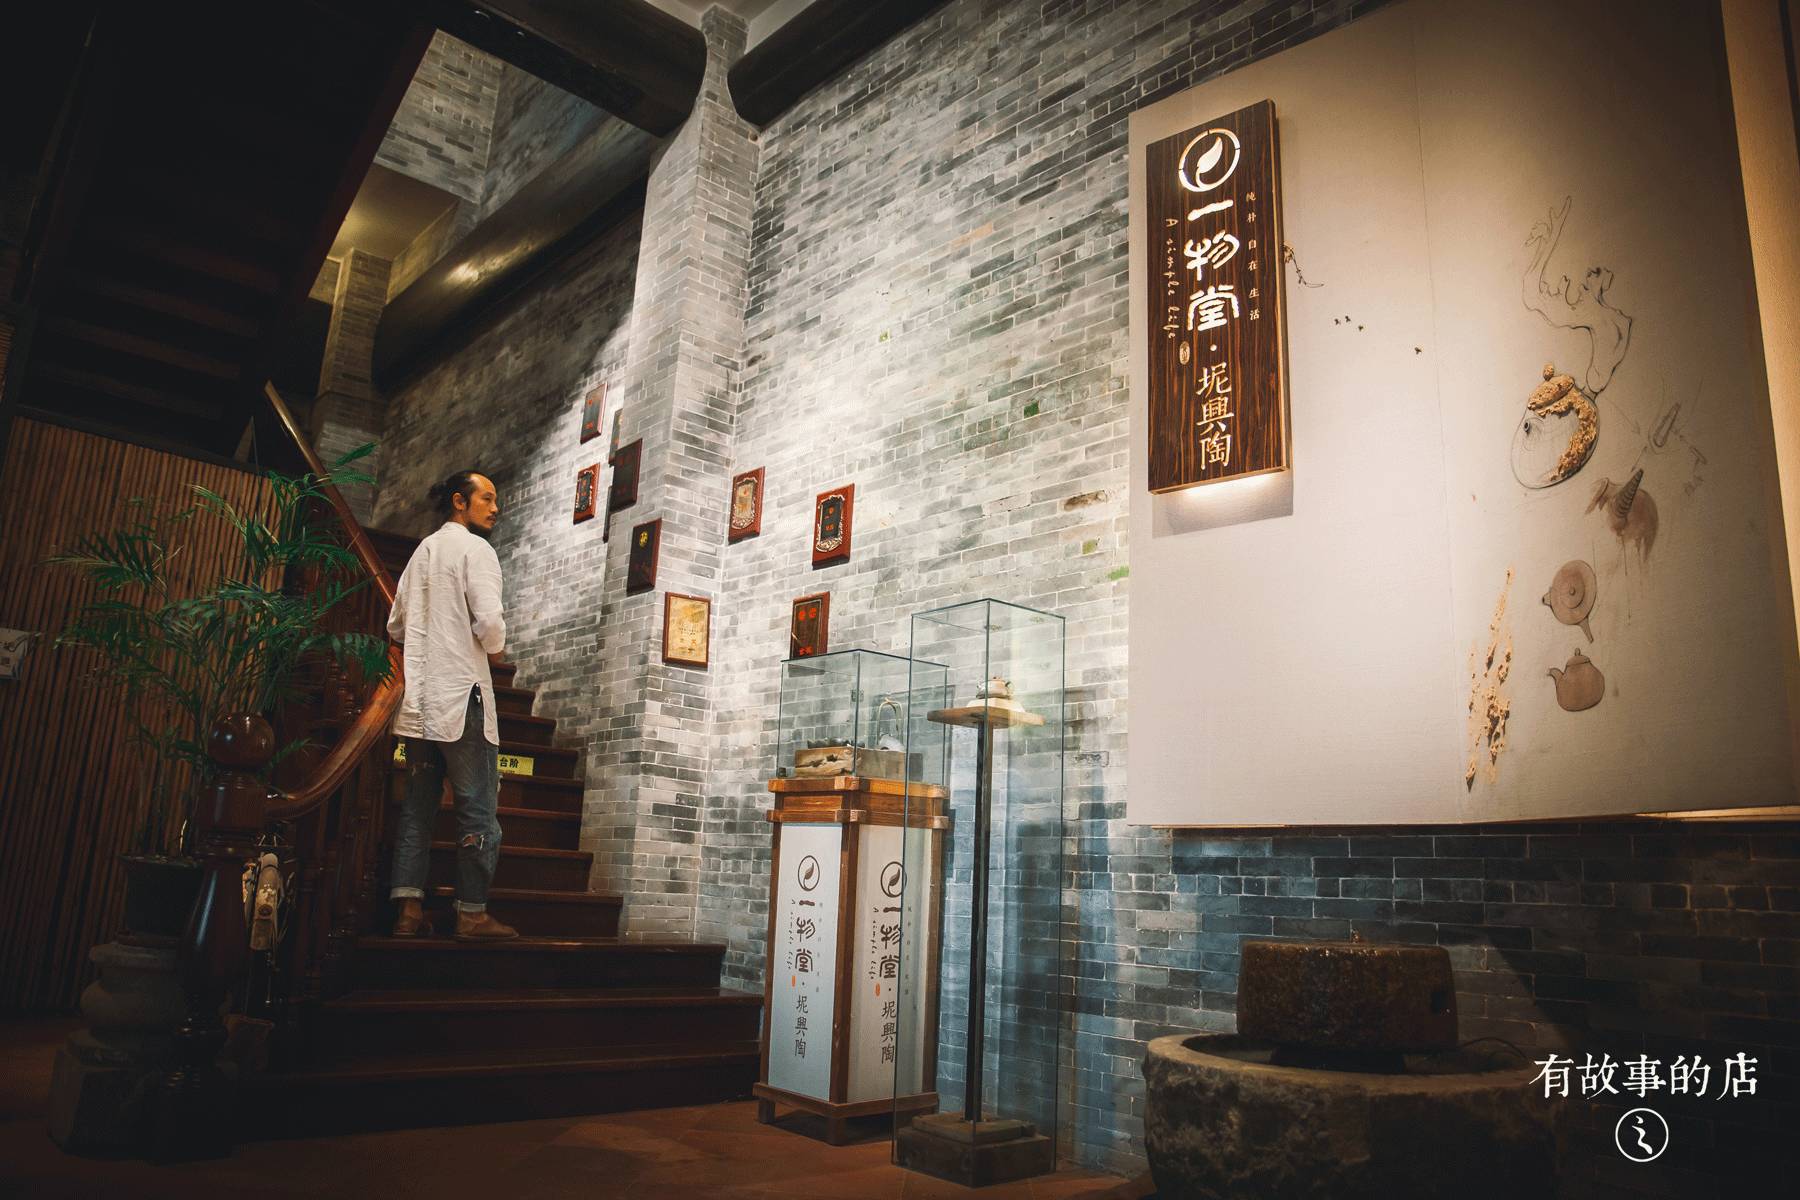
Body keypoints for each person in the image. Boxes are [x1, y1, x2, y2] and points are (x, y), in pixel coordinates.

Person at [385, 469, 518, 940]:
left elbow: (396, 626)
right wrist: (495, 648)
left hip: (421, 704)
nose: (495, 508)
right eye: (487, 498)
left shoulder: (422, 552)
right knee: (478, 811)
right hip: (464, 699)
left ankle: (407, 912)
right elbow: (490, 624)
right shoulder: (476, 550)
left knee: (417, 811)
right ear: (460, 502)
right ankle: (472, 914)